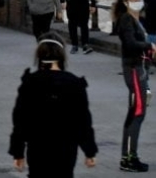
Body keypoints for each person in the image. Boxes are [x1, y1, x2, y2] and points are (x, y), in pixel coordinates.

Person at [8, 33, 97, 177]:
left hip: (38, 147)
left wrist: (18, 152)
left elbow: (20, 120)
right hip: (66, 148)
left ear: (39, 55)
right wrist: (89, 151)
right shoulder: (74, 83)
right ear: (62, 55)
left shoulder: (31, 82)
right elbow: (83, 121)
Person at [113, 0, 155, 172]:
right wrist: (149, 45)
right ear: (125, 1)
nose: (137, 1)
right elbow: (130, 44)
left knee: (135, 113)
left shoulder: (138, 20)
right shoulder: (126, 20)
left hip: (140, 70)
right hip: (134, 70)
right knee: (137, 114)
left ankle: (128, 155)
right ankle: (129, 157)